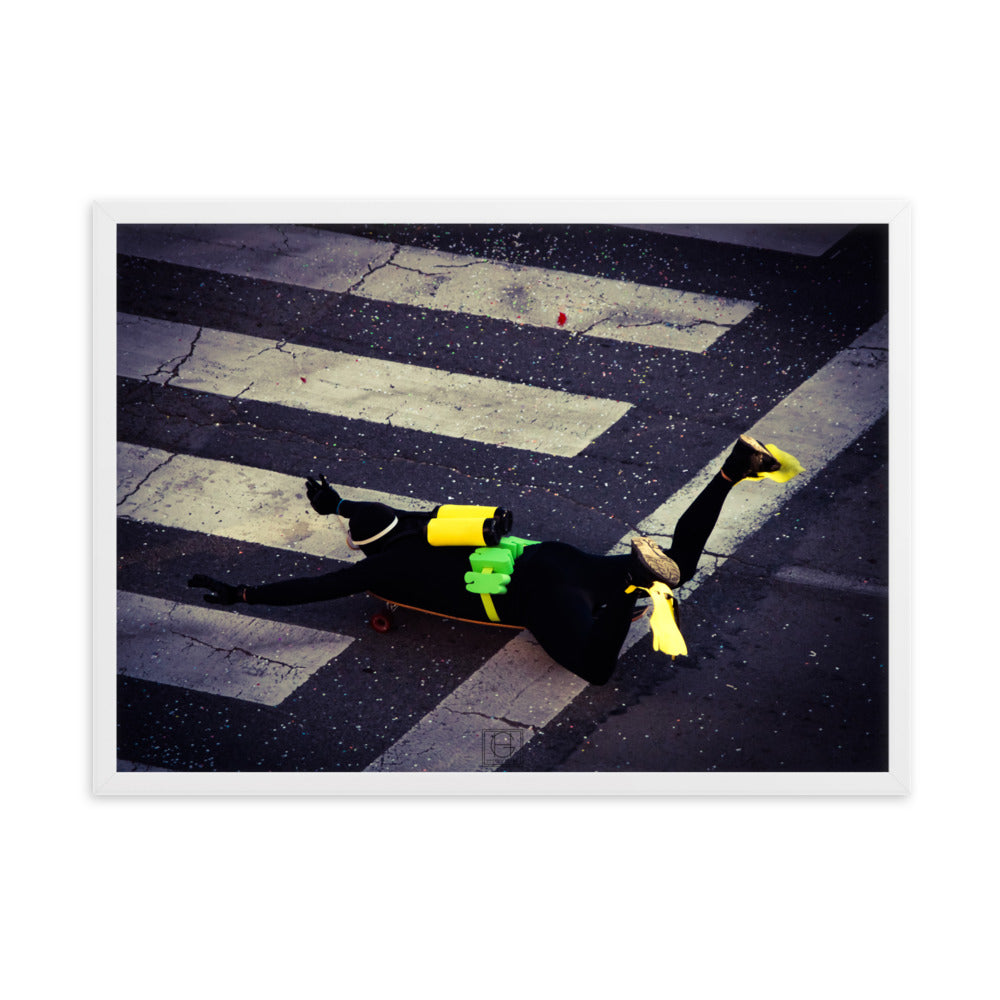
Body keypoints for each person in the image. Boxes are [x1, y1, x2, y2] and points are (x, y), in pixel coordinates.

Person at [188, 435, 799, 685]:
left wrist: (244, 595)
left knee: (595, 669)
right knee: (683, 564)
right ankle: (732, 469)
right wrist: (338, 503)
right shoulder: (427, 523)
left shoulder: (378, 570)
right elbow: (368, 512)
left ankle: (631, 587)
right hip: (557, 559)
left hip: (534, 596)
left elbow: (314, 588)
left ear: (363, 550)